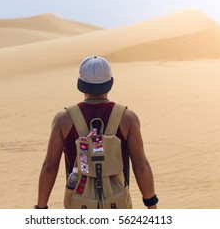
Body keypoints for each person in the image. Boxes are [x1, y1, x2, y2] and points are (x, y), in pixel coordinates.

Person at [36, 56, 158, 209]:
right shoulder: (127, 118)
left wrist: (41, 208)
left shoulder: (63, 119)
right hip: (117, 204)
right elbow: (141, 166)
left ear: (80, 84)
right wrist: (151, 205)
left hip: (79, 205)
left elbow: (49, 167)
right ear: (111, 83)